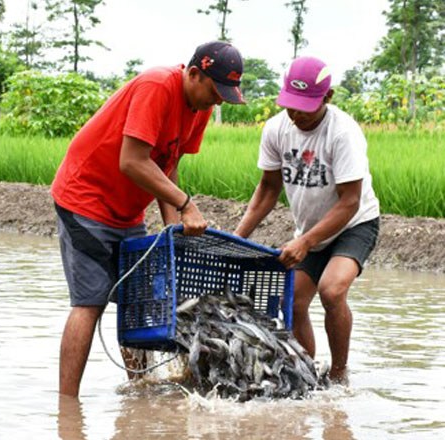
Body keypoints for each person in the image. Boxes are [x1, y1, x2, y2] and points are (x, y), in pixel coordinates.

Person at [51, 41, 246, 397]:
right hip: (85, 198)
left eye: (224, 97)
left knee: (137, 304)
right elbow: (132, 161)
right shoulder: (157, 87)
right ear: (194, 74)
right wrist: (186, 204)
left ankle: (138, 391)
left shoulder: (200, 108)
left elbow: (166, 165)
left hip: (127, 210)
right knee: (90, 302)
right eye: (215, 92)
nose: (217, 102)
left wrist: (172, 225)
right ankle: (67, 406)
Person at [233, 56, 380, 383]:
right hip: (311, 228)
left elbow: (350, 201)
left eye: (305, 107)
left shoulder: (343, 133)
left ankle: (339, 375)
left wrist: (305, 241)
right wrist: (237, 239)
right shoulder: (276, 129)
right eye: (291, 106)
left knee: (331, 290)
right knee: (294, 301)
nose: (296, 114)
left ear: (327, 97)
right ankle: (307, 376)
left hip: (354, 223)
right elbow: (268, 189)